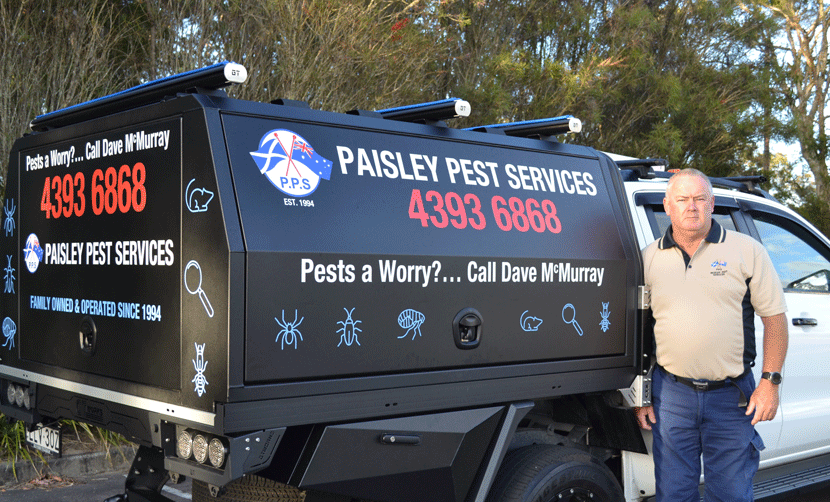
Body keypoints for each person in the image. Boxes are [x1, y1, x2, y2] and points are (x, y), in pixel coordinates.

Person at [635, 168, 788, 502]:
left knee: (731, 494)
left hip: (732, 398)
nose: (692, 206)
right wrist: (642, 394)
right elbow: (641, 332)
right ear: (667, 206)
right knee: (674, 494)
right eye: (683, 199)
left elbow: (775, 320)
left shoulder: (747, 251)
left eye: (700, 198)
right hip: (671, 395)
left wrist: (770, 383)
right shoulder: (649, 259)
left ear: (712, 203)